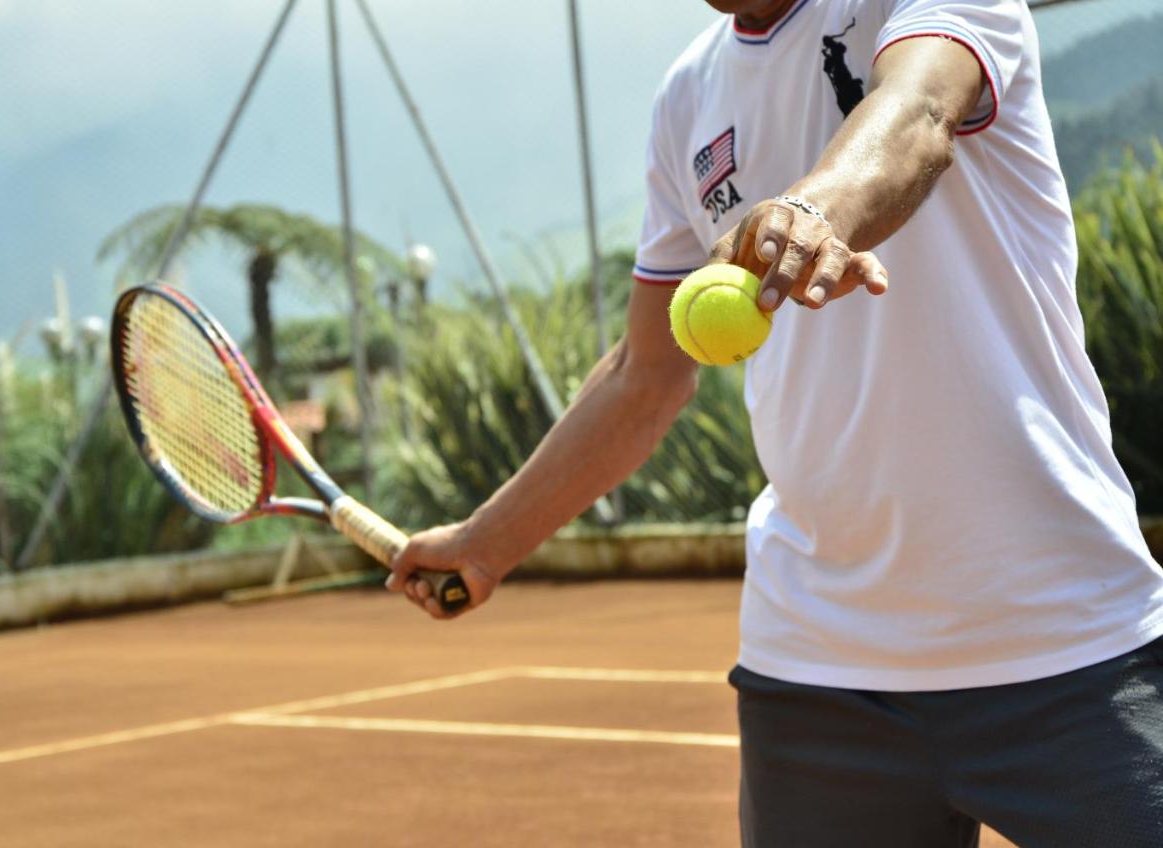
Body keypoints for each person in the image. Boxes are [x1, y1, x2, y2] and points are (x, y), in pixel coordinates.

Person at [389, 0, 1163, 844]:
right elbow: (645, 379)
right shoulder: (688, 95)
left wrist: (813, 211)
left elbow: (920, 113)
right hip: (816, 675)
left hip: (1068, 641)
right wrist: (487, 541)